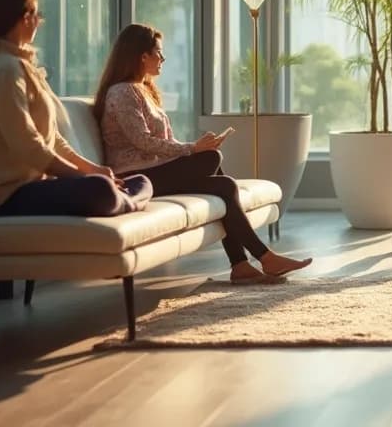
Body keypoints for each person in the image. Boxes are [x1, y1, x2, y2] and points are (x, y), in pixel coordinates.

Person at [95, 24, 314, 284]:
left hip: (154, 171)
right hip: (134, 178)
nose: (163, 60)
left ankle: (245, 264)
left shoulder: (143, 91)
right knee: (211, 159)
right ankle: (259, 259)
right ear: (143, 56)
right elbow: (142, 141)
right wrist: (192, 149)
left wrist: (193, 148)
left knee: (223, 184)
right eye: (159, 53)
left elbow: (162, 142)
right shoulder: (123, 92)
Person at [0, 0, 153, 220]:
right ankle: (123, 200)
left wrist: (94, 169)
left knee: (140, 181)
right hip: (3, 197)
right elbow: (29, 147)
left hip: (29, 188)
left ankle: (121, 199)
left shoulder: (20, 67)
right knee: (100, 190)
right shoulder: (3, 71)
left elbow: (50, 138)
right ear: (26, 18)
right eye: (37, 14)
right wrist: (85, 178)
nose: (39, 21)